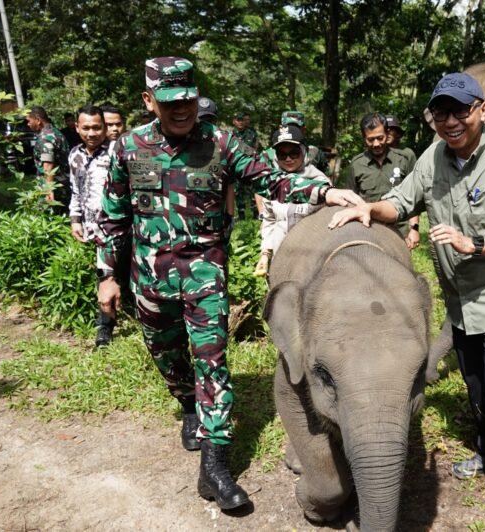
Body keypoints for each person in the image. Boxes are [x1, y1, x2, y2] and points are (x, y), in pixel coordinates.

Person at [96, 56, 362, 512]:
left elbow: (271, 179)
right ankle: (186, 405)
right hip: (149, 281)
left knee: (211, 362)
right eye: (169, 101)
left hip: (204, 275)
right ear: (148, 100)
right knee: (168, 355)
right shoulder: (127, 148)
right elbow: (114, 216)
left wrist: (323, 192)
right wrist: (106, 276)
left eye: (187, 99)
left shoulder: (222, 143)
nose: (181, 109)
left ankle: (215, 466)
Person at [329, 72, 485, 532]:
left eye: (460, 110)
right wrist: (370, 210)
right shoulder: (434, 157)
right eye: (441, 113)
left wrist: (475, 244)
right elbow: (401, 201)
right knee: (476, 388)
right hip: (461, 302)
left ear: (481, 110)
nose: (450, 121)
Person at [67, 105, 125, 347]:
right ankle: (107, 324)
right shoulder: (75, 155)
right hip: (93, 227)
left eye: (96, 127)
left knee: (114, 273)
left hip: (119, 227)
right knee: (103, 275)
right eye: (86, 128)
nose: (92, 133)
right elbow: (75, 190)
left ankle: (107, 326)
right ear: (77, 128)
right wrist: (75, 219)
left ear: (105, 127)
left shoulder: (116, 153)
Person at [253, 124, 330, 276]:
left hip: (314, 260)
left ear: (304, 151)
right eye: (282, 154)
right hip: (281, 257)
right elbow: (270, 220)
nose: (288, 159)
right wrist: (265, 253)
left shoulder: (321, 183)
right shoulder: (273, 183)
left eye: (294, 153)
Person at [344, 112, 420, 249]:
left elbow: (413, 197)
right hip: (368, 231)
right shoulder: (356, 164)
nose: (376, 144)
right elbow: (350, 201)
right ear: (364, 138)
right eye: (370, 139)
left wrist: (414, 228)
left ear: (387, 134)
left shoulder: (403, 159)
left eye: (380, 138)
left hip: (400, 232)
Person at [26, 106, 71, 213]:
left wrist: (48, 189)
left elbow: (48, 165)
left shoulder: (45, 138)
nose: (28, 124)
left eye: (29, 121)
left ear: (38, 120)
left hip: (54, 187)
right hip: (64, 183)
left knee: (50, 218)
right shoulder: (56, 132)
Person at [280, 110, 331, 177]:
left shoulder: (315, 153)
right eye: (288, 128)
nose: (292, 131)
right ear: (280, 129)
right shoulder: (269, 156)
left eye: (296, 128)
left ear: (303, 130)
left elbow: (327, 175)